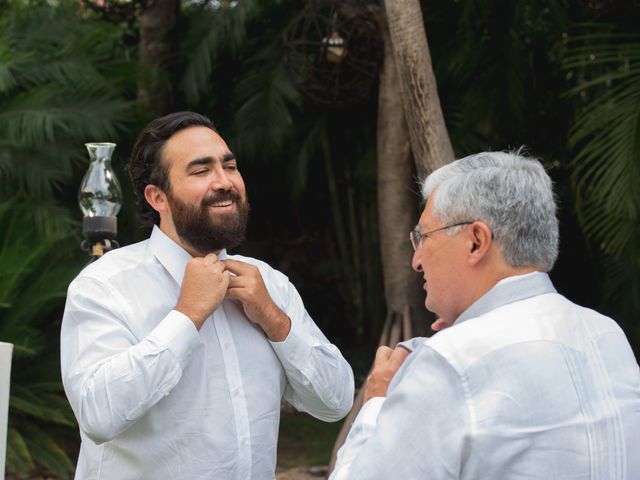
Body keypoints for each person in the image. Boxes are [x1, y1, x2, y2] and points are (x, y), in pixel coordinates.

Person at [61, 111, 354, 480]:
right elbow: (98, 416)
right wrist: (187, 316)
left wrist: (276, 321)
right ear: (158, 198)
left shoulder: (268, 284)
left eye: (229, 167)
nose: (224, 182)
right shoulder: (105, 284)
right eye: (201, 171)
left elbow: (335, 404)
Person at [330, 150, 640, 479]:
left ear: (476, 242)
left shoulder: (452, 360)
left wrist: (377, 398)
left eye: (423, 237)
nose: (416, 260)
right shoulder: (606, 334)